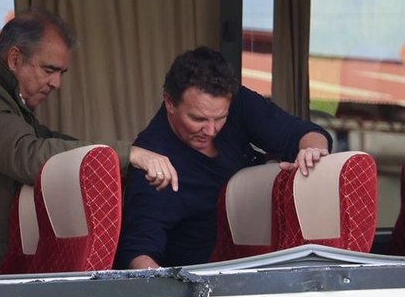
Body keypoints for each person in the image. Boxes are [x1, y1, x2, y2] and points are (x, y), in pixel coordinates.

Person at [0, 8, 179, 270]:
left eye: (62, 73)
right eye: (49, 69)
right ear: (15, 59)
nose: (56, 83)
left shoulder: (3, 90)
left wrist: (122, 156)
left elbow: (44, 138)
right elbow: (25, 154)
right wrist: (126, 155)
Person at [116, 46, 332, 269]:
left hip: (279, 258)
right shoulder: (152, 162)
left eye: (220, 118)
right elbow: (138, 252)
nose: (210, 130)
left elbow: (300, 133)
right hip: (206, 280)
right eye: (197, 119)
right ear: (170, 103)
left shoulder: (235, 101)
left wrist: (313, 152)